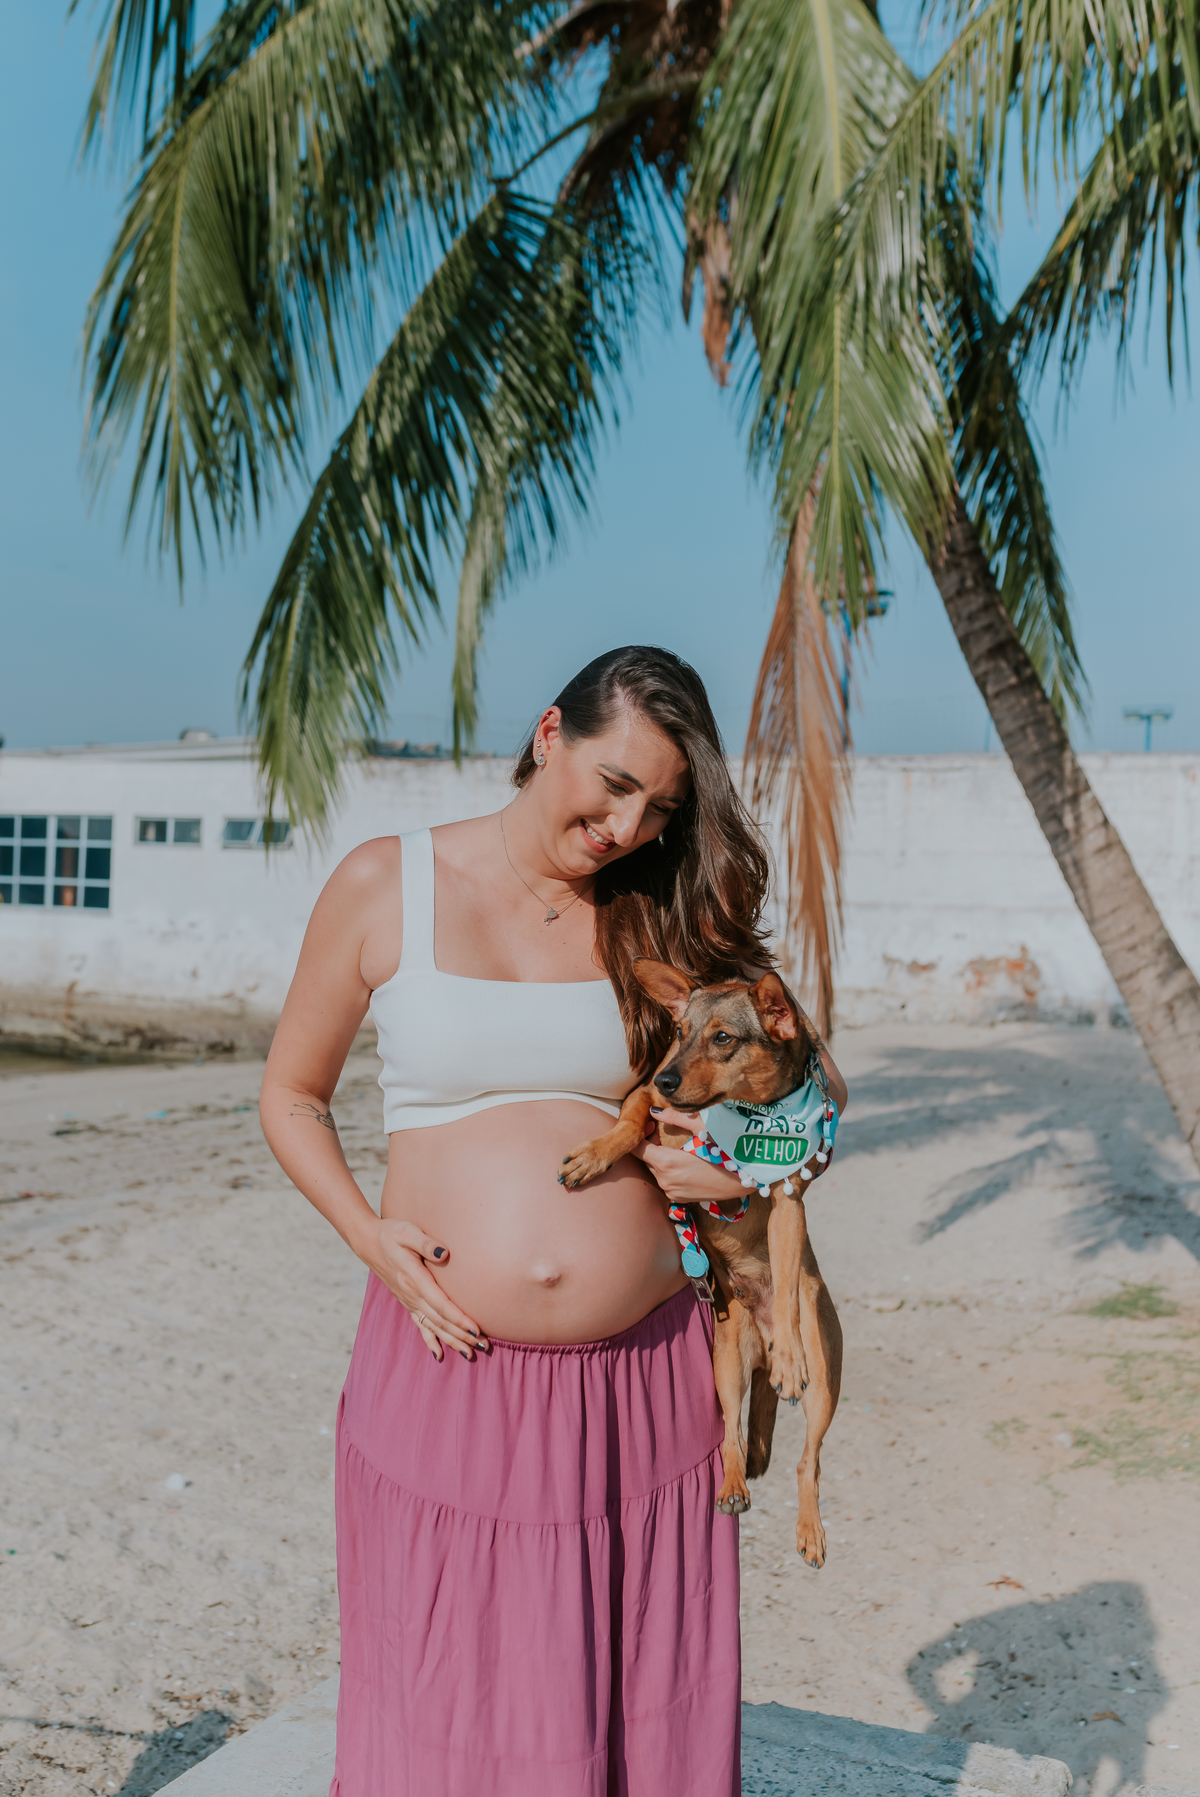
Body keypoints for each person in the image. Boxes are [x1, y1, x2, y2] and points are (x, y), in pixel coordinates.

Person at [260, 645, 848, 1797]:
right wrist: (367, 1237)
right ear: (548, 734)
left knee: (634, 1704)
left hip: (646, 1383)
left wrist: (740, 1179)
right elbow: (291, 1095)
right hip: (448, 1367)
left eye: (662, 807)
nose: (628, 825)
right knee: (446, 1700)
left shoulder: (666, 911)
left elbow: (813, 1100)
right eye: (614, 783)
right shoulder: (390, 884)